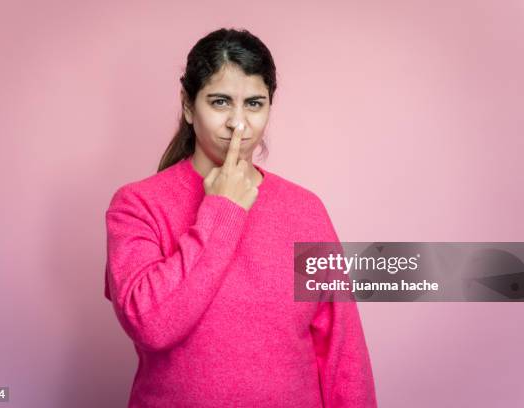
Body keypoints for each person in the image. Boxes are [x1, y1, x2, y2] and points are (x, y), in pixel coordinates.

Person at [104, 27, 377, 407]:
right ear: (187, 105)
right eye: (219, 102)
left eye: (253, 103)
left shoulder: (305, 209)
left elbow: (341, 351)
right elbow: (151, 323)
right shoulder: (137, 204)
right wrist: (223, 210)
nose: (238, 123)